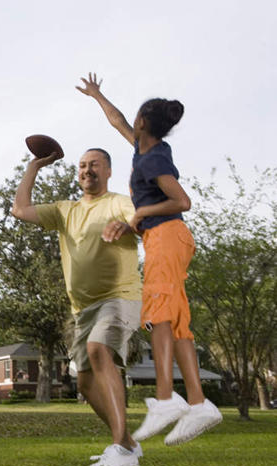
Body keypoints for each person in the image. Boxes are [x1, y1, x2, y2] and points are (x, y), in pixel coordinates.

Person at [77, 72, 222, 445]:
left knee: (156, 313)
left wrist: (137, 217)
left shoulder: (152, 160)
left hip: (167, 237)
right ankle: (198, 402)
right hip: (165, 239)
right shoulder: (144, 149)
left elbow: (181, 201)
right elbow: (118, 121)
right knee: (177, 324)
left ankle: (164, 399)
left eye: (135, 118)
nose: (130, 122)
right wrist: (97, 95)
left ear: (144, 121)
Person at [12, 147, 143, 466]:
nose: (87, 170)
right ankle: (128, 442)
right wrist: (34, 166)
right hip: (82, 309)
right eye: (83, 166)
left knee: (99, 351)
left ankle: (121, 450)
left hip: (121, 296)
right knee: (84, 382)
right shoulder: (64, 210)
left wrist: (129, 225)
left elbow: (140, 219)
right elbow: (19, 209)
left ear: (108, 170)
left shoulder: (118, 202)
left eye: (94, 165)